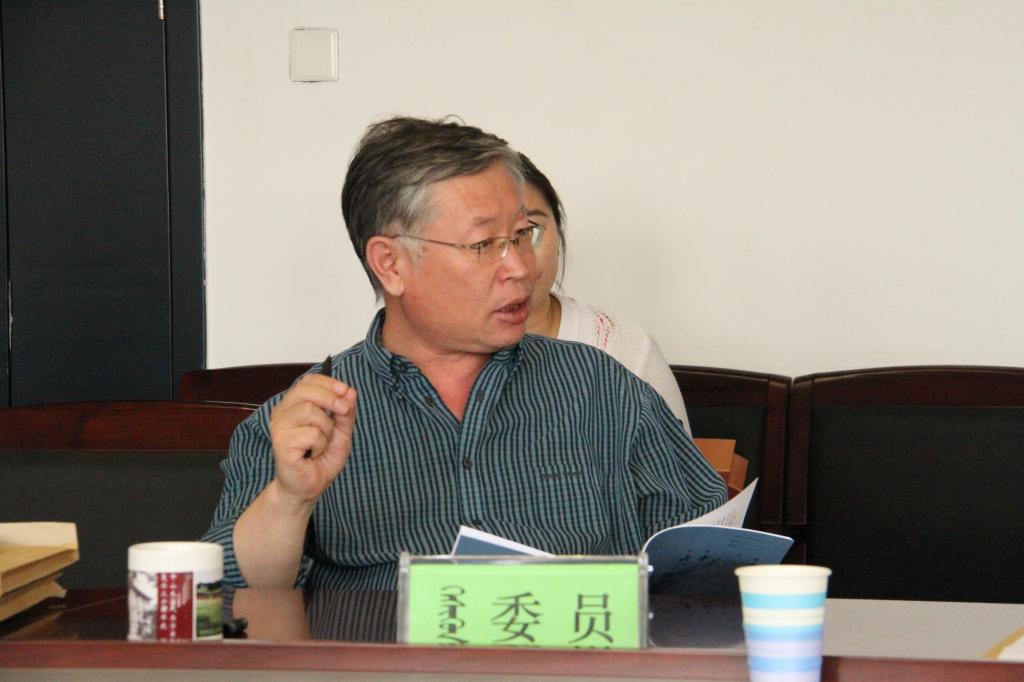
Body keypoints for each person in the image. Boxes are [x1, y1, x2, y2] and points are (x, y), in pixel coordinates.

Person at [202, 117, 726, 591]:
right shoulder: (304, 424)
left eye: (522, 235)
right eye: (483, 245)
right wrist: (290, 500)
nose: (521, 268)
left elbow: (706, 560)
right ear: (390, 264)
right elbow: (229, 602)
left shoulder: (600, 387)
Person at [520, 153, 691, 433]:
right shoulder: (442, 353)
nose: (515, 259)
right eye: (485, 239)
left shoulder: (625, 347)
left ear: (559, 233)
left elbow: (673, 460)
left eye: (529, 231)